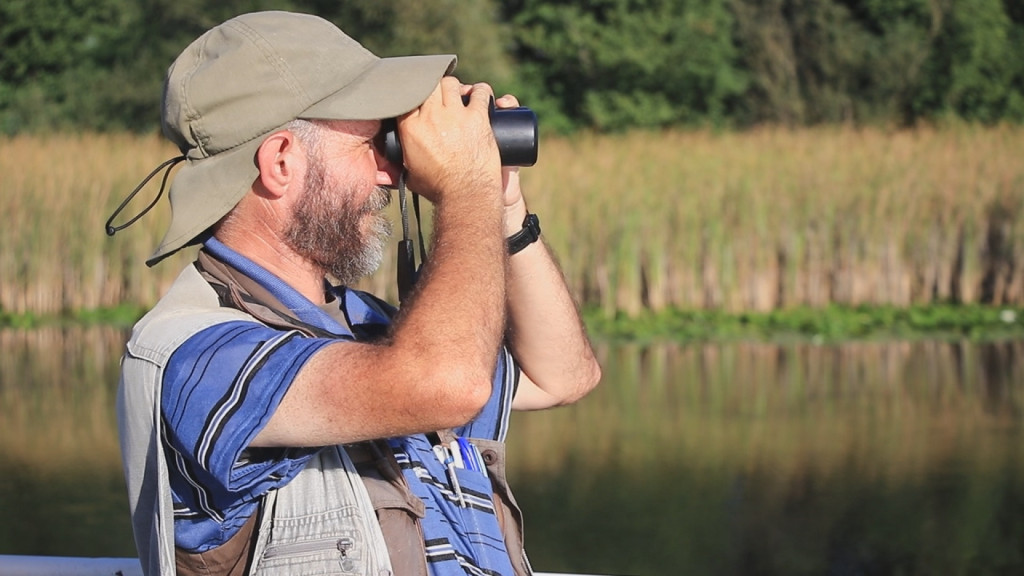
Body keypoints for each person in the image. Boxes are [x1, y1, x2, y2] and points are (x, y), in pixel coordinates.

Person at [112, 10, 601, 576]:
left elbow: (562, 375)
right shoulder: (199, 358)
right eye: (373, 143)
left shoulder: (368, 326)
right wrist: (464, 185)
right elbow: (449, 385)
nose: (392, 173)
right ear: (280, 162)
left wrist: (501, 207)